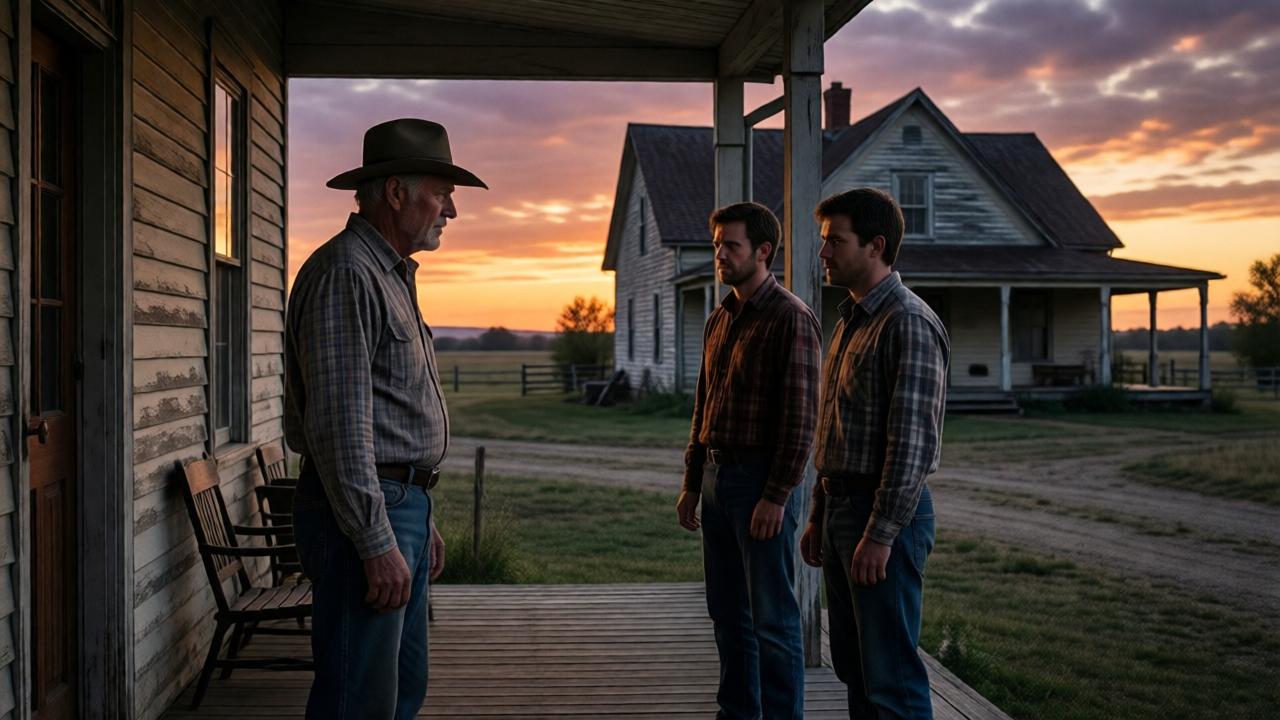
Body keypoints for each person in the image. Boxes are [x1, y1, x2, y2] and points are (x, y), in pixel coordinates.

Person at [284, 118, 487, 720]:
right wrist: (377, 537)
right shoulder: (347, 272)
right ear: (396, 193)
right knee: (359, 698)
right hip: (366, 517)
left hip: (399, 506)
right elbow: (340, 427)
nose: (451, 210)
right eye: (440, 192)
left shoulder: (388, 273)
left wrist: (419, 516)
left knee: (400, 688)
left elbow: (387, 415)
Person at [800, 188, 949, 719]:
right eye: (824, 242)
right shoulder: (848, 323)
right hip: (842, 509)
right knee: (855, 668)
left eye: (834, 241)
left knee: (892, 677)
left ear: (875, 246)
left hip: (882, 516)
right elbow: (833, 430)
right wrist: (819, 514)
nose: (823, 253)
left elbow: (911, 444)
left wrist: (880, 533)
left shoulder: (907, 322)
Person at [677, 202, 821, 720]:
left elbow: (802, 419)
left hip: (761, 482)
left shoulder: (791, 317)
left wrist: (777, 494)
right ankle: (738, 711)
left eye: (730, 245)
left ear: (763, 251)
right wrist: (693, 480)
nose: (719, 254)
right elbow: (704, 403)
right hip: (717, 479)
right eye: (717, 244)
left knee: (772, 618)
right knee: (727, 613)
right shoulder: (721, 316)